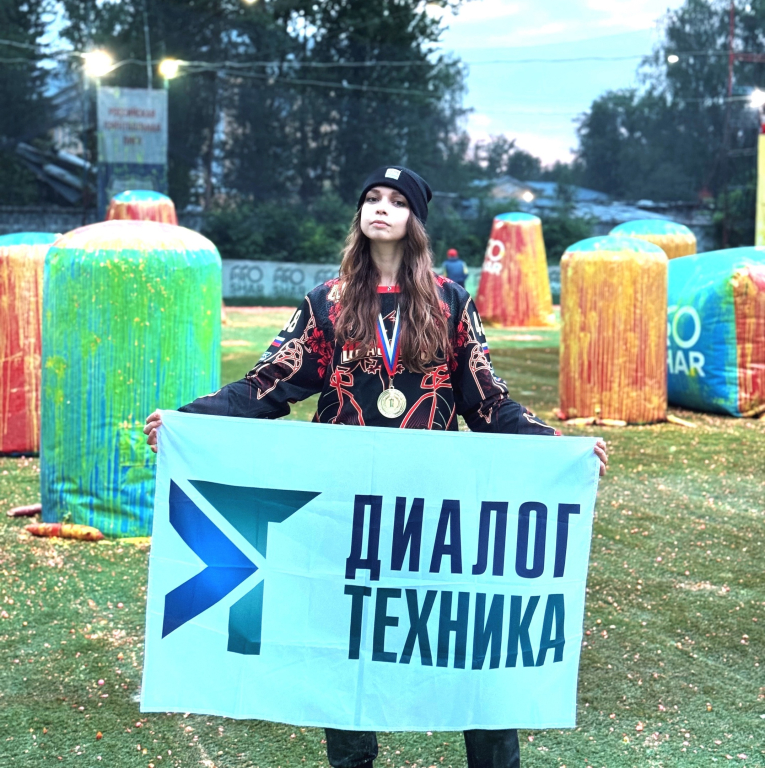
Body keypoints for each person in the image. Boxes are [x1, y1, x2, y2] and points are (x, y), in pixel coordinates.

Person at [145, 164, 608, 768]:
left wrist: (556, 445)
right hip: (348, 511)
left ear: (416, 219)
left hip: (432, 511)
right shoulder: (327, 303)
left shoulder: (449, 302)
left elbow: (486, 401)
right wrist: (188, 421)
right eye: (372, 198)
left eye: (396, 201)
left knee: (472, 649)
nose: (381, 208)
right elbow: (269, 385)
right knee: (347, 655)